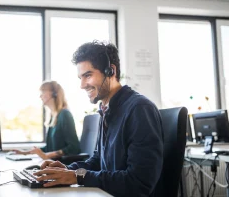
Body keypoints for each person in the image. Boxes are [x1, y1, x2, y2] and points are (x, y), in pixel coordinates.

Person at [33, 41, 164, 197]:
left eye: (87, 75)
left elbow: (138, 183)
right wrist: (68, 170)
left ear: (111, 71)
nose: (82, 85)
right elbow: (97, 161)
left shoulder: (139, 109)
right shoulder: (106, 109)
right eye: (80, 77)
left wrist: (77, 176)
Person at [13, 80, 81, 160]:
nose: (40, 96)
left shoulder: (65, 115)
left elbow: (74, 147)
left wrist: (47, 155)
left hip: (62, 166)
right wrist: (25, 153)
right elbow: (49, 148)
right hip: (52, 163)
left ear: (54, 94)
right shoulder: (53, 117)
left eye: (43, 92)